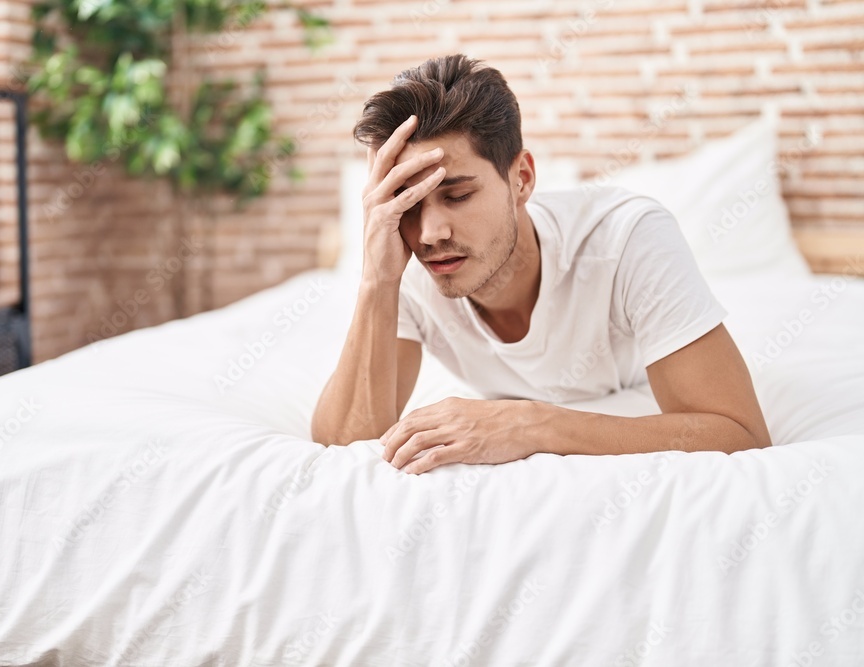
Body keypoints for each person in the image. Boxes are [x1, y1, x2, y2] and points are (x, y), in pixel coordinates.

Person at [311, 54, 772, 474]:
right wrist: (377, 279)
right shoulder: (406, 264)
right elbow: (343, 445)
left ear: (522, 179)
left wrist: (533, 424)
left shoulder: (627, 239)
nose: (430, 233)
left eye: (458, 195)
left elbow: (739, 433)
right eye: (408, 201)